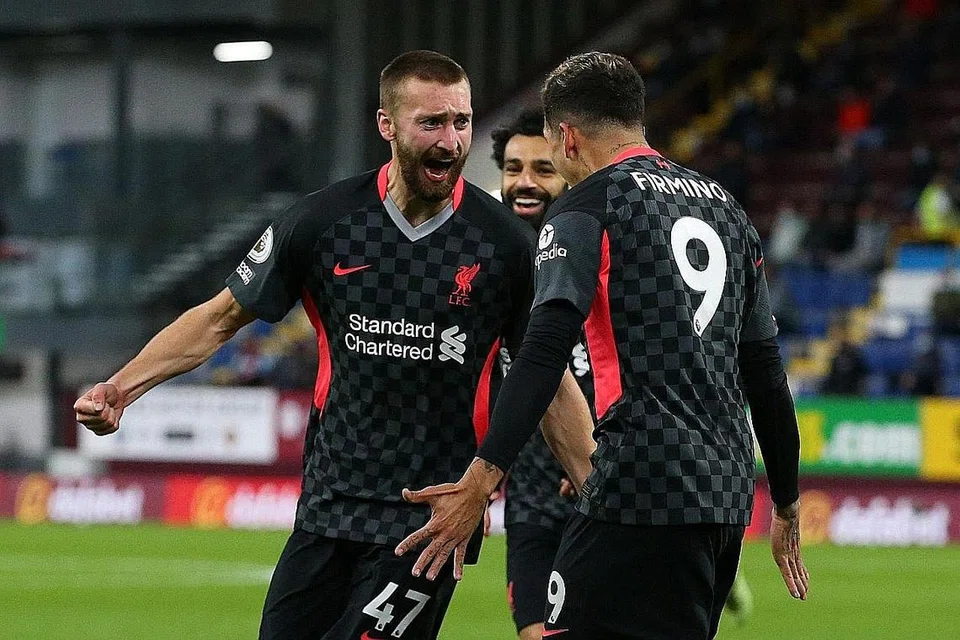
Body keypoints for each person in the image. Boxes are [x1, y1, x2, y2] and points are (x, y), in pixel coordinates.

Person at [75, 50, 586, 640]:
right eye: (432, 123)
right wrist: (121, 387)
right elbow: (219, 318)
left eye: (462, 122)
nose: (451, 142)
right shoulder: (323, 223)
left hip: (430, 520)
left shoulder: (506, 246)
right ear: (386, 125)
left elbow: (547, 377)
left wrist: (600, 492)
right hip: (328, 506)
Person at [397, 52, 808, 639]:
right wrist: (788, 502)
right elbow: (766, 374)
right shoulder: (726, 209)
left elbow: (542, 352)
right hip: (724, 498)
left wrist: (482, 478)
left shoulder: (588, 207)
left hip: (637, 489)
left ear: (566, 137)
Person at [490, 108, 594, 640]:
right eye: (512, 168)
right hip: (529, 500)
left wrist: (600, 449)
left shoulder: (599, 260)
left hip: (596, 492)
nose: (524, 182)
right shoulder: (492, 269)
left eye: (541, 168)